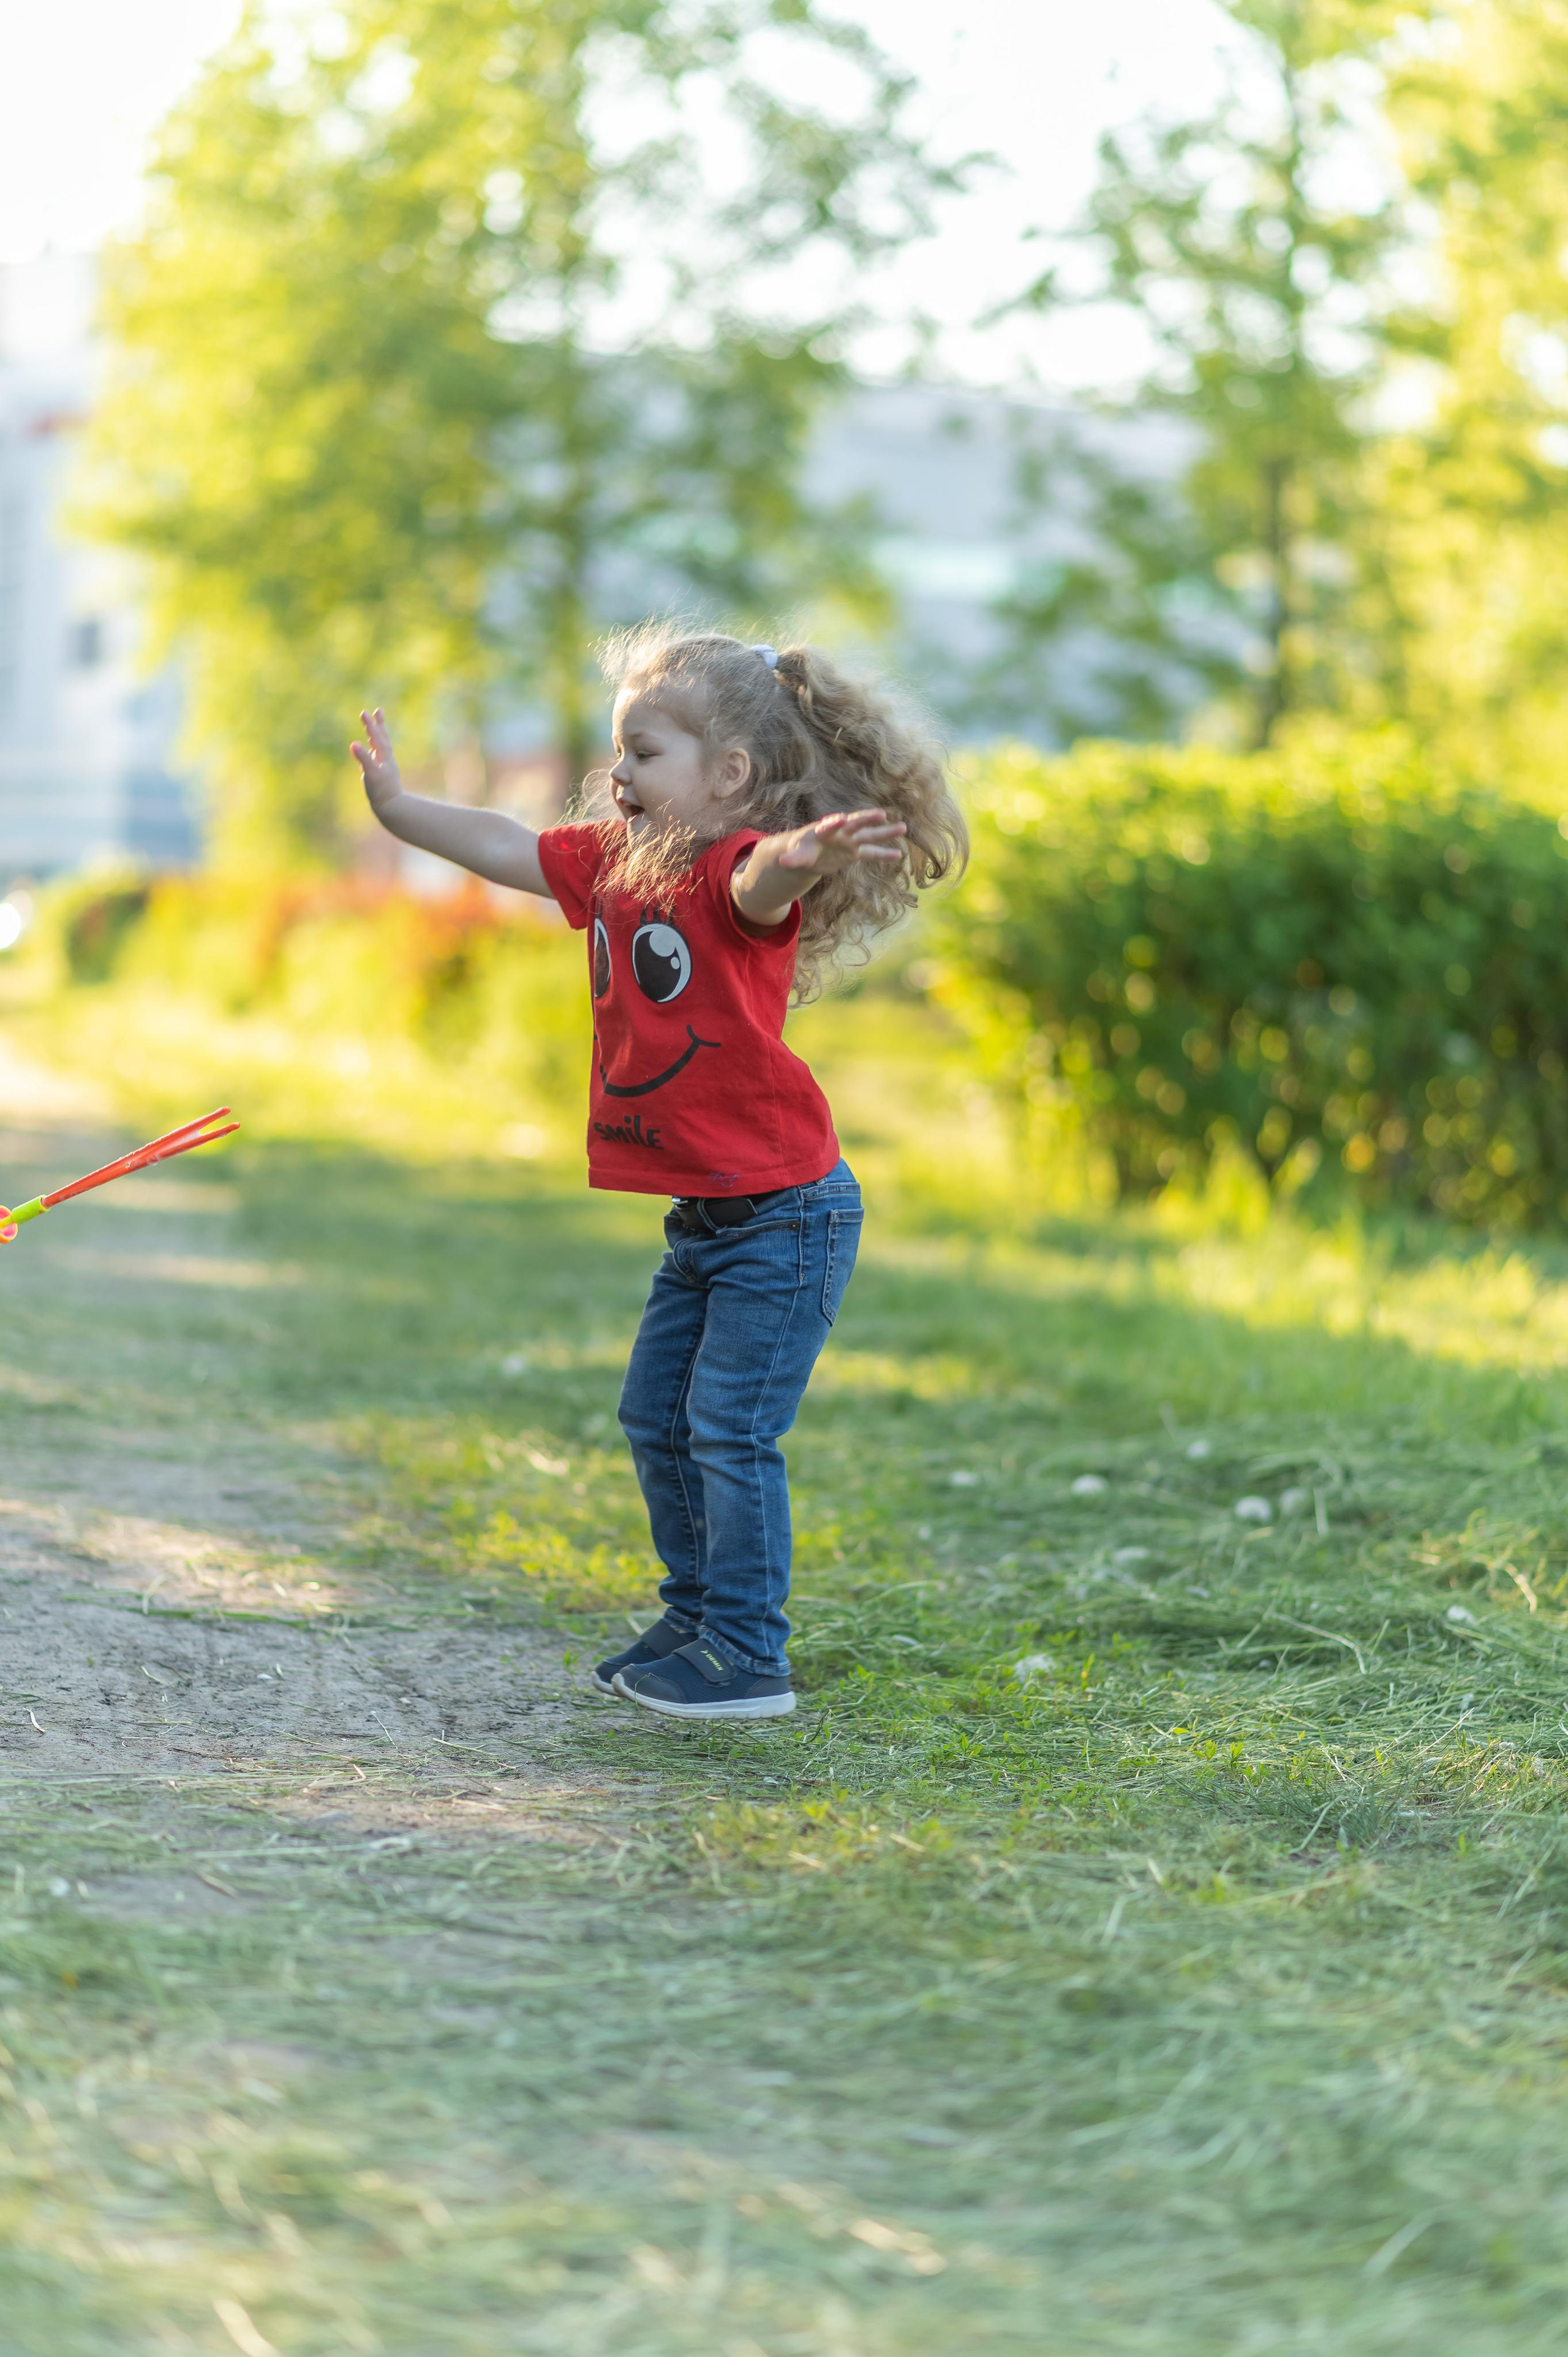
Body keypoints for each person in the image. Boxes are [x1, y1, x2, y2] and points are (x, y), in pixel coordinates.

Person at [351, 629, 965, 1720]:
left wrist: (808, 851)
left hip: (788, 1216)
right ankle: (695, 1619)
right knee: (655, 1416)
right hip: (712, 1221)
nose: (620, 773)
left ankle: (747, 1654)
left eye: (646, 752)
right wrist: (402, 811)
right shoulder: (609, 866)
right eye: (620, 752)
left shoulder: (732, 872)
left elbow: (769, 880)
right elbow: (505, 838)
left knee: (728, 1426)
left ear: (728, 776)